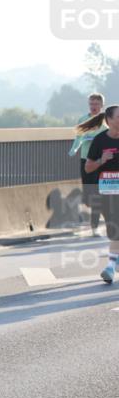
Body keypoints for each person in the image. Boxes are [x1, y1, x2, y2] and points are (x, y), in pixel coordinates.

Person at [81, 104, 119, 283]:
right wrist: (101, 160)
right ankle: (112, 266)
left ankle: (111, 266)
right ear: (109, 120)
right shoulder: (99, 141)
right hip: (107, 191)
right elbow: (88, 168)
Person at [70, 93, 107, 236]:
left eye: (96, 104)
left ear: (101, 105)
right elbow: (78, 137)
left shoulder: (106, 121)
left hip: (101, 161)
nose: (94, 107)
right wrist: (75, 147)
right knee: (88, 197)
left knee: (97, 195)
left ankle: (94, 227)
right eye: (91, 104)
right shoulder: (83, 119)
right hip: (86, 160)